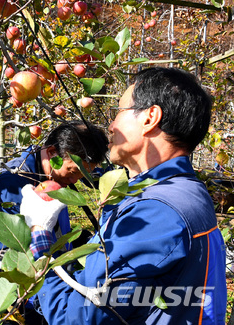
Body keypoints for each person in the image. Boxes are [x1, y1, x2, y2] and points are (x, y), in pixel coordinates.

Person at [21, 67, 227, 324]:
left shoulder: (155, 213)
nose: (111, 125)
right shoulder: (187, 192)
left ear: (150, 117)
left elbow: (75, 318)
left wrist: (40, 234)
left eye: (119, 111)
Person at [0, 121, 108, 322]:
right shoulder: (13, 185)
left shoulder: (53, 180)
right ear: (53, 152)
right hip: (15, 298)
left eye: (82, 175)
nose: (75, 181)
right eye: (73, 171)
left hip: (47, 287)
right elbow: (16, 257)